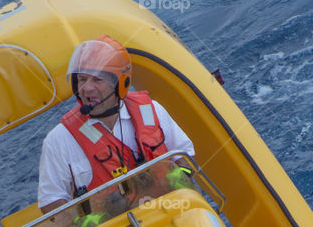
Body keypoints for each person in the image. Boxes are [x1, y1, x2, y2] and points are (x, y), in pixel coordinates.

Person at [37, 34, 196, 212]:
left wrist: (177, 178)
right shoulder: (59, 140)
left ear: (121, 83)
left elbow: (185, 156)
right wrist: (91, 218)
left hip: (174, 212)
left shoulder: (152, 111)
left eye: (97, 79)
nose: (87, 88)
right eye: (82, 79)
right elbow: (51, 202)